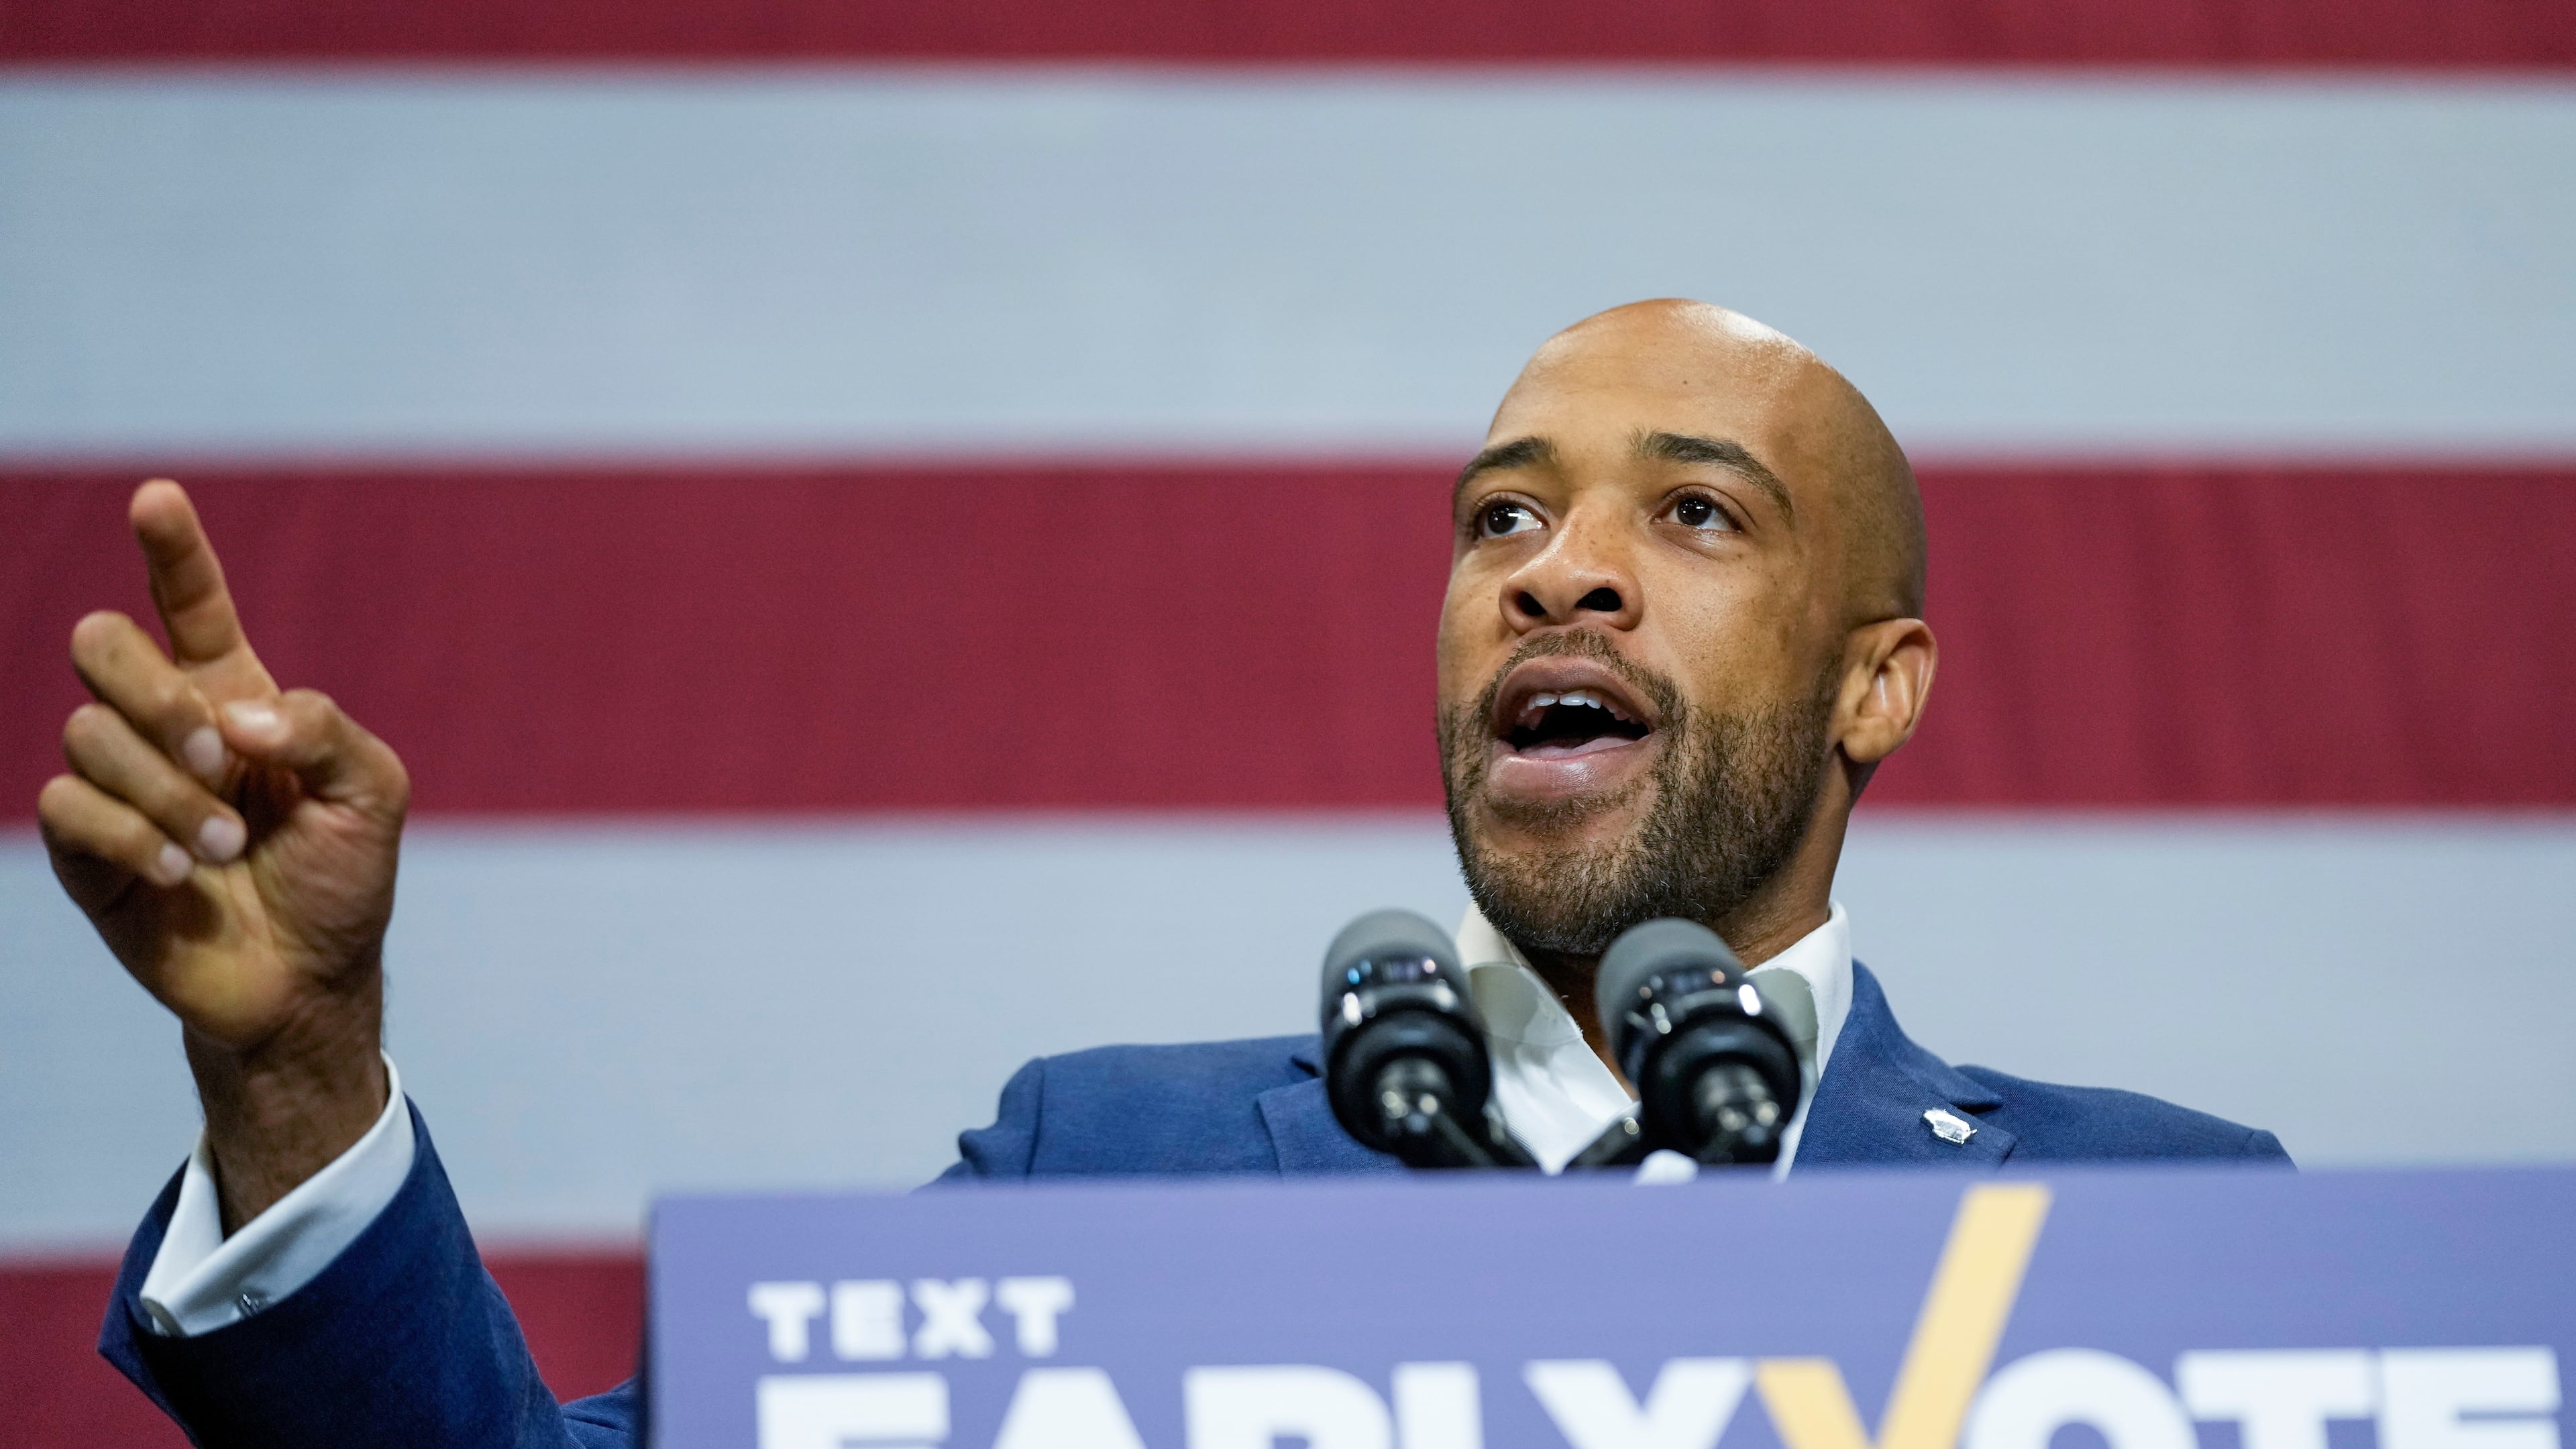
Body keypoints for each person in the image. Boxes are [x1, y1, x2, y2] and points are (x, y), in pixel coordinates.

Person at [41, 300, 2289, 1446]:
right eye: (1501, 516)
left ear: (1877, 690)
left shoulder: (2169, 1239)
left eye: (1692, 516)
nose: (1557, 578)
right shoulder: (1096, 1177)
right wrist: (306, 1069)